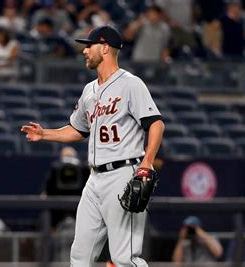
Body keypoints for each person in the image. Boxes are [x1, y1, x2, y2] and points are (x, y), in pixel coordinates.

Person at [21, 26, 164, 266]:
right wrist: (44, 134)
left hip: (123, 173)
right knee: (80, 255)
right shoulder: (89, 90)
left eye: (90, 45)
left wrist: (147, 163)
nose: (85, 50)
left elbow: (156, 124)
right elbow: (78, 130)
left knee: (124, 258)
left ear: (105, 47)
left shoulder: (131, 84)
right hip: (94, 178)